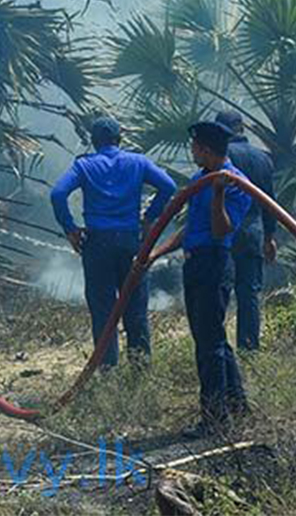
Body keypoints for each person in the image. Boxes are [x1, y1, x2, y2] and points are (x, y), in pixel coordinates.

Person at [150, 121, 252, 438]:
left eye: (194, 146)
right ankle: (237, 405)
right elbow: (190, 229)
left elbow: (222, 230)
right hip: (194, 265)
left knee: (208, 345)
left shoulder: (235, 184)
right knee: (211, 338)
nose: (191, 151)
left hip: (214, 264)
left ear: (204, 149)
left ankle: (214, 419)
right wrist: (155, 252)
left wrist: (218, 194)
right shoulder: (198, 179)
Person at [50, 116, 176, 367]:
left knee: (102, 310)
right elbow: (168, 186)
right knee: (135, 307)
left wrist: (70, 229)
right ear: (119, 139)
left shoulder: (84, 166)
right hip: (131, 241)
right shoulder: (138, 162)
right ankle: (140, 370)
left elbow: (58, 193)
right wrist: (150, 218)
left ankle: (108, 371)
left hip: (97, 244)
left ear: (94, 141)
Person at [215, 111, 277, 351]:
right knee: (249, 293)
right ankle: (249, 347)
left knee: (220, 290)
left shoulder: (221, 157)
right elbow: (270, 202)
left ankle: (218, 346)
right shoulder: (263, 158)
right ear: (242, 128)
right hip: (253, 232)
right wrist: (270, 236)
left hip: (224, 233)